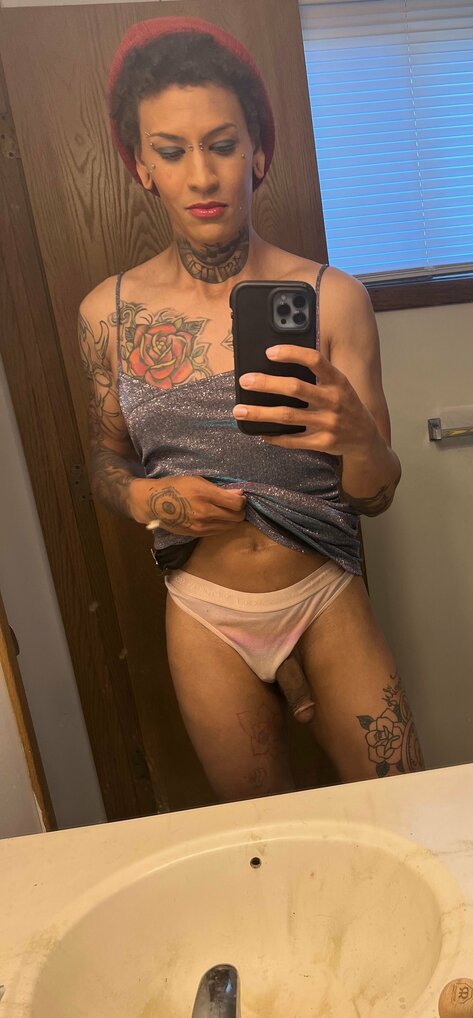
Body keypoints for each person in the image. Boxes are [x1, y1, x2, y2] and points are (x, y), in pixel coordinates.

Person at [78, 15, 424, 802]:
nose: (202, 175)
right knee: (260, 838)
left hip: (325, 592)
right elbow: (101, 458)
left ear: (258, 153)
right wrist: (146, 498)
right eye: (172, 151)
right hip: (205, 612)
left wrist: (359, 439)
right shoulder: (108, 315)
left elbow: (377, 494)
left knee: (406, 805)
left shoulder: (333, 299)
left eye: (223, 144)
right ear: (142, 167)